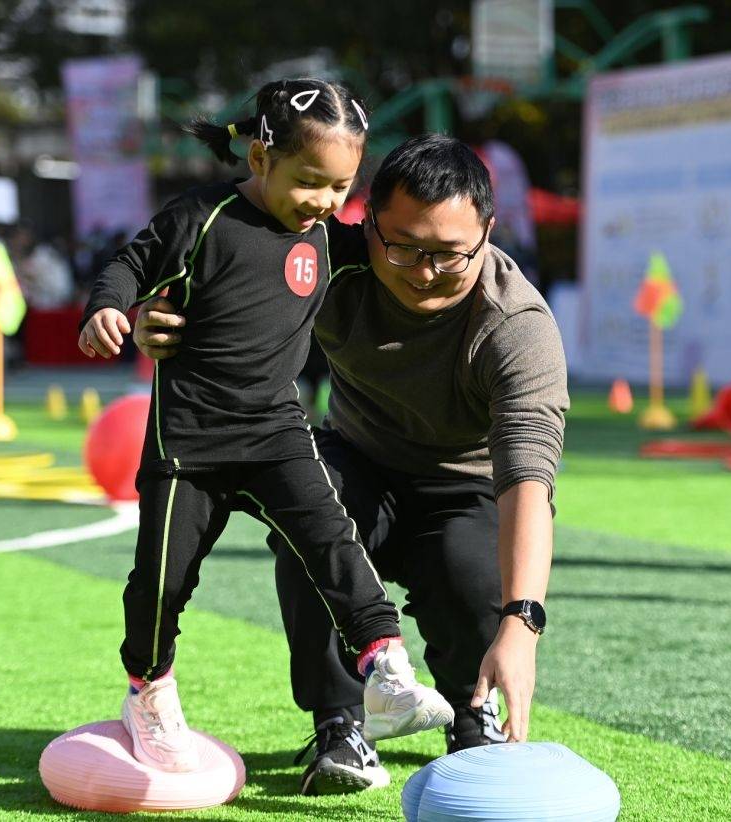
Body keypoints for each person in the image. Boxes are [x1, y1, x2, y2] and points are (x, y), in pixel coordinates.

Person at [133, 134, 568, 795]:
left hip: (466, 489)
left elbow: (528, 481)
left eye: (450, 254)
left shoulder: (517, 327)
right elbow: (220, 279)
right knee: (311, 511)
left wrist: (523, 622)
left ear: (488, 231)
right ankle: (339, 721)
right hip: (357, 459)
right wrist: (160, 321)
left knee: (476, 571)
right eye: (403, 246)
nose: (424, 271)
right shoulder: (323, 264)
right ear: (365, 225)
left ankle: (469, 710)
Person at [77, 79, 453, 776]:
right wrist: (111, 311)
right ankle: (148, 692)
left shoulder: (328, 237)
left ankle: (387, 672)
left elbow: (395, 254)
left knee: (335, 544)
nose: (326, 202)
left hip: (278, 434)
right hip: (189, 443)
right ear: (259, 160)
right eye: (311, 182)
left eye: (341, 186)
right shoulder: (201, 218)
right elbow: (129, 266)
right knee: (160, 583)